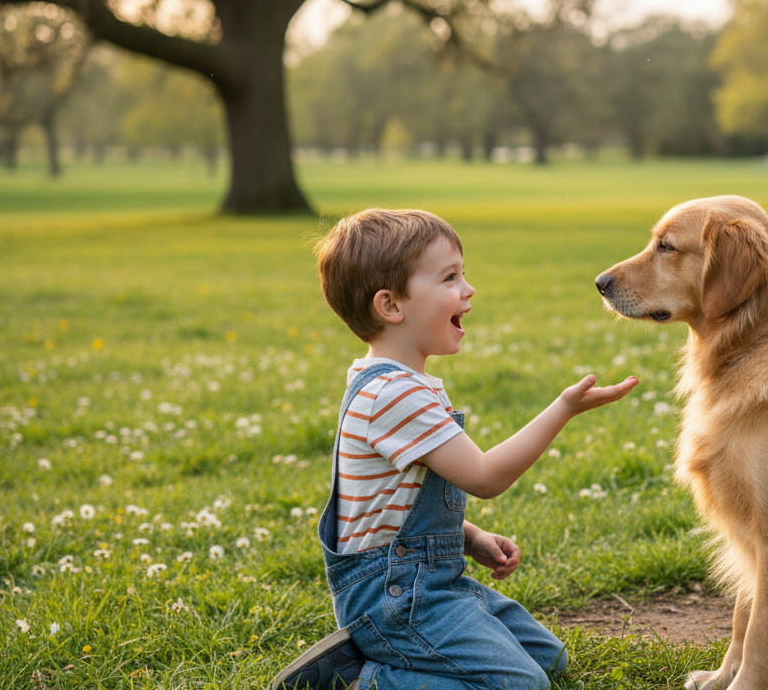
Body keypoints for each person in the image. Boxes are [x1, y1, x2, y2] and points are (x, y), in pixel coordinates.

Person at [272, 208, 637, 690]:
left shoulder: (406, 384)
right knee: (522, 686)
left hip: (428, 581)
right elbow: (485, 477)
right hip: (395, 596)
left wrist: (469, 537)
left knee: (550, 660)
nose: (468, 290)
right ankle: (362, 681)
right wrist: (562, 409)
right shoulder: (393, 394)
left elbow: (395, 505)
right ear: (391, 306)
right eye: (450, 278)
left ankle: (391, 660)